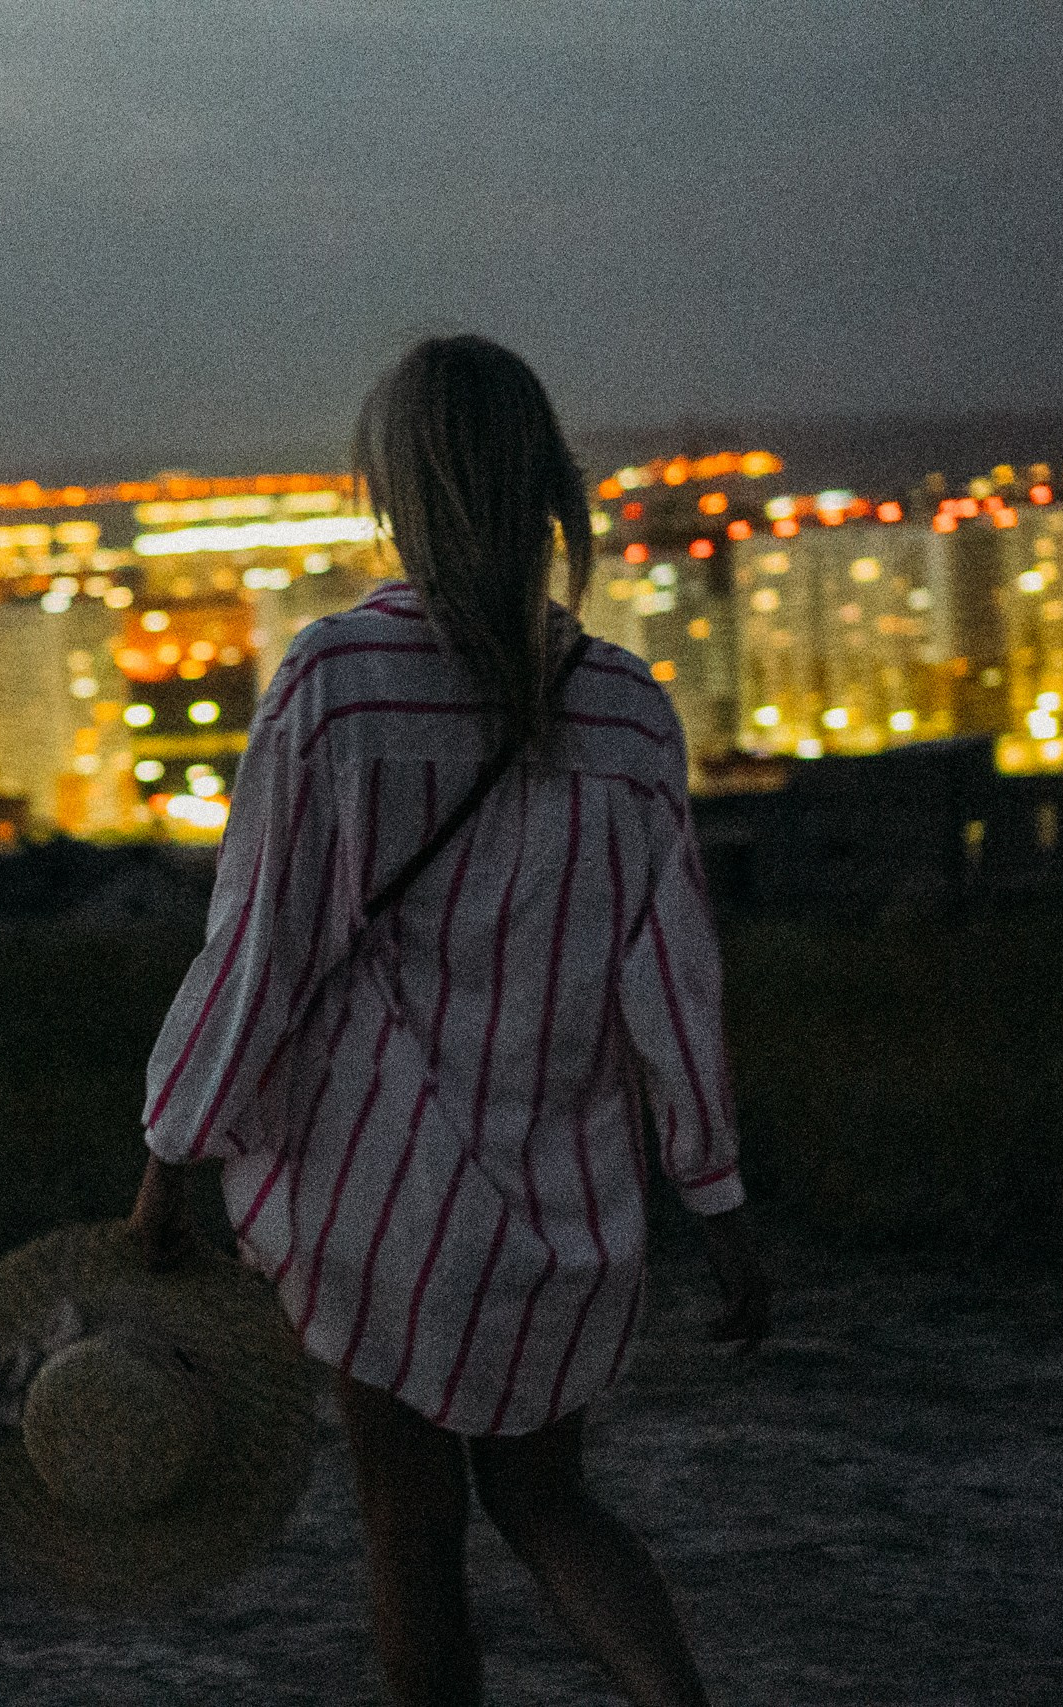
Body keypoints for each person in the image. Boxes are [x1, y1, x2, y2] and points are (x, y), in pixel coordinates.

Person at [127, 334, 770, 1707]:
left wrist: (168, 1163)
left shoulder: (338, 685)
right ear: (549, 491)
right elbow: (675, 985)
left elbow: (261, 952)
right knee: (549, 1505)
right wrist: (715, 1198)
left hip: (379, 1198)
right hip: (564, 1201)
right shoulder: (628, 713)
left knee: (410, 1533)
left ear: (399, 495)